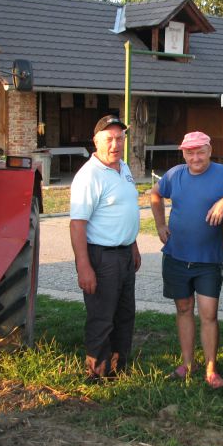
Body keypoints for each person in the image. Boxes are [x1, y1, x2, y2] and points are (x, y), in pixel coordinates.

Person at [150, 131, 223, 389]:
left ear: (209, 151)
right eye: (190, 152)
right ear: (184, 154)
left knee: (209, 314)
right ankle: (188, 363)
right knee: (183, 309)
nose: (195, 157)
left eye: (200, 151)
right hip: (176, 255)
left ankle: (211, 368)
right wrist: (159, 225)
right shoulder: (175, 174)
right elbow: (155, 194)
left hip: (207, 261)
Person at [70, 115, 141, 381]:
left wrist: (132, 244)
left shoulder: (123, 167)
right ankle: (96, 373)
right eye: (109, 139)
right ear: (96, 141)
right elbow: (77, 225)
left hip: (124, 254)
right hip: (101, 257)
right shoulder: (88, 176)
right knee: (102, 316)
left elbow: (126, 210)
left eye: (120, 138)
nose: (115, 144)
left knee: (125, 314)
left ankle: (118, 368)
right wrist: (84, 266)